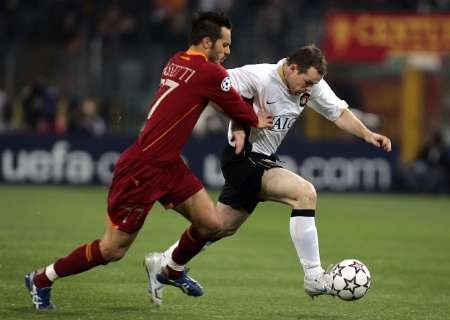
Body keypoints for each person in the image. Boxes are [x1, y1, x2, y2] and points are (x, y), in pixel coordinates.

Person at [24, 11, 273, 310]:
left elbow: (211, 99)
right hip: (142, 168)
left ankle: (169, 269)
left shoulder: (177, 60)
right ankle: (42, 278)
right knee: (113, 249)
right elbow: (237, 107)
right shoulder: (211, 73)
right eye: (225, 44)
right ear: (207, 42)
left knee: (210, 224)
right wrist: (256, 119)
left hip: (168, 164)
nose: (228, 51)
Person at [145, 44, 392, 304]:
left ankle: (164, 265)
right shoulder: (259, 76)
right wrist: (245, 120)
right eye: (306, 82)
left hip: (261, 158)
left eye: (313, 85)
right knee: (304, 194)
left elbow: (338, 112)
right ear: (292, 68)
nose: (309, 89)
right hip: (244, 157)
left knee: (217, 227)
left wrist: (367, 134)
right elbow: (216, 89)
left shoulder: (312, 85)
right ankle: (314, 276)